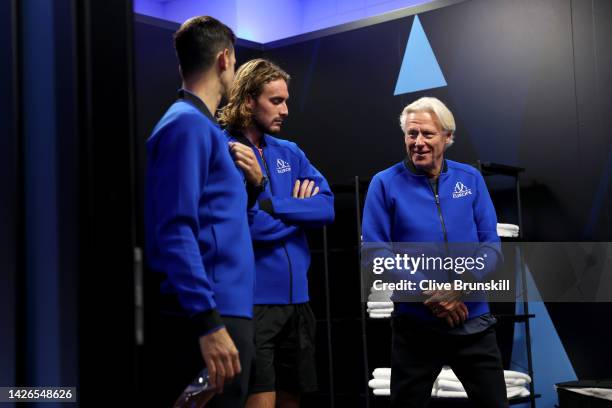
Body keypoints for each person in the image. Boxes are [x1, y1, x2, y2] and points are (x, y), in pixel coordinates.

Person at [144, 16, 265, 407]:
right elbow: (174, 230)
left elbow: (218, 220)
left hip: (227, 310)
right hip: (212, 317)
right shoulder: (185, 126)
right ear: (224, 58)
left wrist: (254, 186)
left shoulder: (204, 127)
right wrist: (208, 323)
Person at [361, 97, 508, 407]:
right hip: (415, 327)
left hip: (474, 322)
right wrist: (428, 291)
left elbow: (491, 246)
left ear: (447, 136)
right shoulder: (384, 184)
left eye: (427, 134)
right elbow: (374, 252)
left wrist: (460, 288)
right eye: (411, 134)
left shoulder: (470, 179)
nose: (418, 142)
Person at [219, 59, 335, 408]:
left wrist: (272, 205)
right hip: (254, 304)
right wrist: (297, 212)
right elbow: (244, 226)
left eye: (286, 100)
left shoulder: (290, 151)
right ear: (248, 100)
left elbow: (326, 208)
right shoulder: (226, 150)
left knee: (291, 400)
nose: (285, 110)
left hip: (298, 303)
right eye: (276, 101)